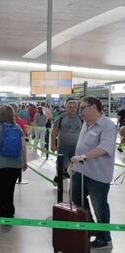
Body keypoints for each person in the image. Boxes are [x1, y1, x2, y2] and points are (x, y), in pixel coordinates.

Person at [70, 96, 116, 249]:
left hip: (98, 175)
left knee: (100, 206)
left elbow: (104, 148)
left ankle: (104, 238)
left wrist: (83, 157)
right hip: (80, 171)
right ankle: (90, 228)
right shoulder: (85, 123)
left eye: (82, 107)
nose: (79, 110)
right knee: (77, 200)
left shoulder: (107, 125)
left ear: (94, 108)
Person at [0, 105, 27, 218]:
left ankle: (4, 213)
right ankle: (10, 210)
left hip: (0, 163)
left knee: (0, 189)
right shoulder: (18, 127)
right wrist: (25, 161)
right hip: (16, 164)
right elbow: (23, 147)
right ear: (12, 115)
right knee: (10, 188)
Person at [51, 100, 82, 181]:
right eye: (70, 107)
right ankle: (59, 176)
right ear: (66, 108)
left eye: (74, 107)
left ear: (77, 108)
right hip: (62, 146)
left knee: (75, 165)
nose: (72, 109)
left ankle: (68, 176)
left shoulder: (80, 118)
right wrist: (53, 144)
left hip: (76, 147)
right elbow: (54, 131)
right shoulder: (61, 117)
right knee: (61, 163)